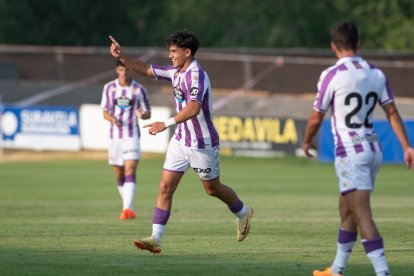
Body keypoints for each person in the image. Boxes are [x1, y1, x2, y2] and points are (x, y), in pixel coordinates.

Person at [109, 30, 253, 254]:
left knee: (212, 189)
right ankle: (156, 238)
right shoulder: (175, 71)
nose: (170, 56)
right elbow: (145, 69)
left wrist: (164, 124)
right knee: (165, 186)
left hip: (202, 143)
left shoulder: (197, 75)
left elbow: (194, 108)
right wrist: (122, 57)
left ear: (187, 52)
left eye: (174, 51)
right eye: (170, 51)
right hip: (181, 140)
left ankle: (243, 212)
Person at [303, 22, 414, 276]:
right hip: (373, 149)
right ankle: (337, 269)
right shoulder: (376, 73)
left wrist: (307, 141)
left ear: (334, 46)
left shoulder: (331, 74)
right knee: (347, 209)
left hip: (351, 152)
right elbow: (392, 111)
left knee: (362, 212)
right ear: (358, 44)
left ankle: (383, 272)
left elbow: (316, 117)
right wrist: (407, 146)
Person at [101, 60, 152, 220]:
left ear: (131, 71)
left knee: (130, 170)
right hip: (114, 136)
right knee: (119, 174)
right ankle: (128, 206)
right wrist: (112, 119)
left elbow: (147, 113)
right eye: (121, 69)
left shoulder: (139, 90)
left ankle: (127, 209)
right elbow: (105, 112)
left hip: (132, 135)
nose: (124, 73)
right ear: (117, 70)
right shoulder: (109, 88)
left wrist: (142, 115)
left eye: (127, 69)